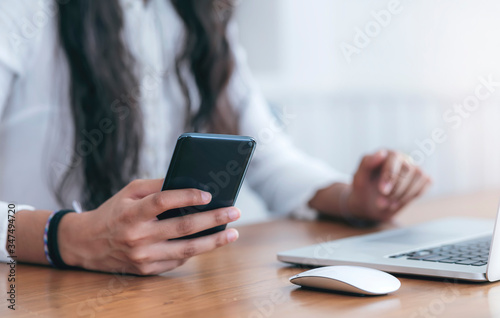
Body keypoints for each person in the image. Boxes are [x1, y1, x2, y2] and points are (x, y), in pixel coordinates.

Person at [0, 0, 431, 275]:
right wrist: (66, 236)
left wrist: (352, 199)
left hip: (167, 292)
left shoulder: (202, 16)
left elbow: (267, 154)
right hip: (37, 292)